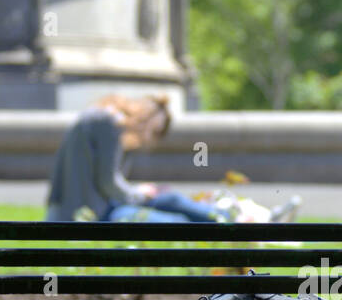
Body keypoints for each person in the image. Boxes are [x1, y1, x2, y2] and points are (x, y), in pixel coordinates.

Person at [45, 95, 301, 223]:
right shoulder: (110, 123)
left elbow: (106, 182)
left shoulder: (102, 119)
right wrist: (141, 193)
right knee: (175, 216)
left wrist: (139, 191)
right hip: (88, 215)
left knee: (172, 202)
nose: (149, 137)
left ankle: (244, 218)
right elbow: (108, 184)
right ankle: (242, 220)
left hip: (86, 210)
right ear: (146, 115)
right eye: (155, 130)